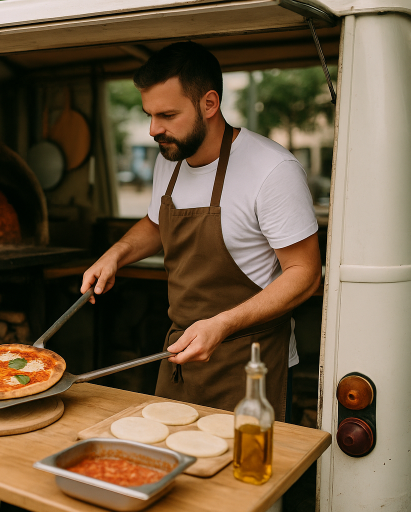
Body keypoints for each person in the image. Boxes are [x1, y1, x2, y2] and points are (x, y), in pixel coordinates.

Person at [81, 42, 321, 421]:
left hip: (251, 366)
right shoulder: (171, 156)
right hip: (179, 354)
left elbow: (305, 275)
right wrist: (116, 255)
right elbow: (158, 223)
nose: (153, 129)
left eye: (167, 115)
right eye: (149, 115)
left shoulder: (273, 170)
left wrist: (222, 324)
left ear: (209, 104)